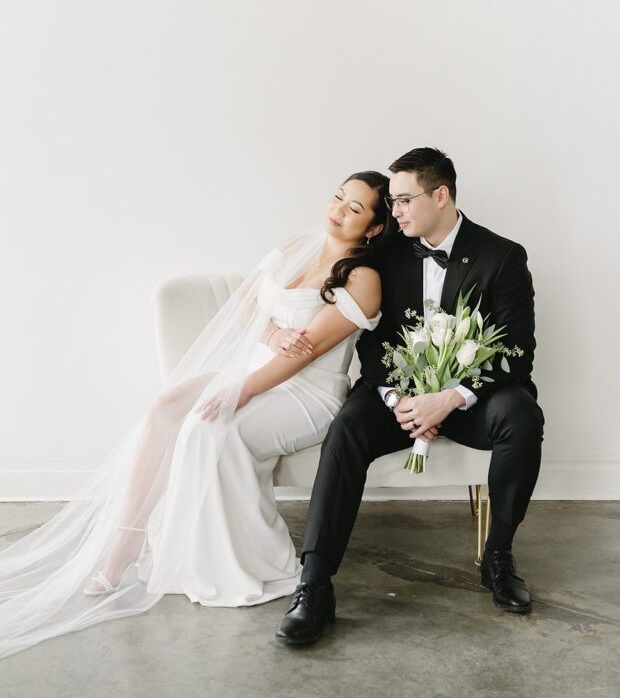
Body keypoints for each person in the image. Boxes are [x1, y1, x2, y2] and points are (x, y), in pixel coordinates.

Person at [0, 170, 395, 659]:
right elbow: (247, 302)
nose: (337, 210)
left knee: (210, 425)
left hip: (305, 393)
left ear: (374, 227)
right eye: (338, 197)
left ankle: (235, 560)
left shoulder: (364, 278)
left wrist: (241, 391)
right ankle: (126, 546)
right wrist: (269, 335)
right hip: (256, 365)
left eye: (354, 208)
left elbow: (307, 352)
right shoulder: (296, 243)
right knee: (167, 406)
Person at [276, 147, 545, 645]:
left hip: (471, 403)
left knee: (522, 414)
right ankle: (314, 585)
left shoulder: (503, 256)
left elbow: (516, 351)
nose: (393, 211)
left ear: (440, 195)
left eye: (403, 200)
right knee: (349, 425)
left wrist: (452, 397)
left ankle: (499, 555)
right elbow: (373, 341)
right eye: (392, 201)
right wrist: (398, 399)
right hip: (397, 398)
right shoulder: (387, 253)